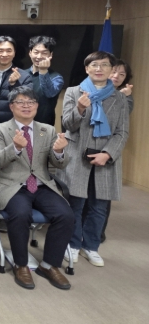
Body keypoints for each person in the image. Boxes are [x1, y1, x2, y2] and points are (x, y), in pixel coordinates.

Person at [0, 86, 74, 290]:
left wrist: (60, 152)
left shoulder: (48, 130)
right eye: (21, 102)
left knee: (66, 215)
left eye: (31, 102)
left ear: (37, 106)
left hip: (42, 184)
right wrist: (16, 147)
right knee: (21, 214)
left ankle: (49, 265)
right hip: (12, 185)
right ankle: (21, 265)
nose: (26, 106)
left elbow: (59, 164)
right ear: (12, 106)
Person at [60, 51, 129, 267]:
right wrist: (80, 108)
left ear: (111, 70)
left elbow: (122, 132)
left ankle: (91, 246)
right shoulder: (73, 92)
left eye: (105, 65)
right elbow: (67, 124)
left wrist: (107, 154)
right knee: (76, 203)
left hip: (105, 159)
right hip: (77, 155)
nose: (99, 69)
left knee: (99, 207)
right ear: (87, 68)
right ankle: (72, 244)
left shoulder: (120, 98)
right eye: (94, 65)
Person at [97, 59, 133, 241]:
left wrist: (125, 98)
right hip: (87, 147)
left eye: (122, 74)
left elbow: (122, 127)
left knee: (104, 193)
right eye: (114, 71)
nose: (116, 76)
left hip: (109, 148)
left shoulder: (125, 98)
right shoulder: (91, 90)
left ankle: (98, 232)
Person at [0, 36, 32, 135]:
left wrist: (14, 84)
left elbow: (25, 104)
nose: (4, 54)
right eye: (0, 51)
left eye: (9, 51)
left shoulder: (24, 76)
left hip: (13, 130)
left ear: (14, 53)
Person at [25, 36, 64, 126]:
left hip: (44, 126)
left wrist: (43, 71)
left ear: (51, 55)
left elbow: (49, 93)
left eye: (44, 53)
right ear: (30, 53)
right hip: (20, 124)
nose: (39, 56)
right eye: (36, 52)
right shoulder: (21, 74)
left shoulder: (56, 77)